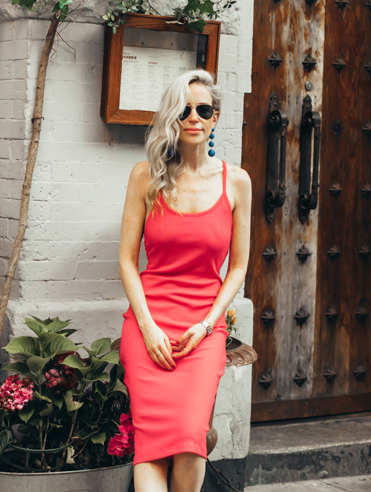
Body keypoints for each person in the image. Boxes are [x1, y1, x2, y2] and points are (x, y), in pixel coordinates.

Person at [118, 70, 252, 492]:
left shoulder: (237, 182)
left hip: (202, 332)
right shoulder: (146, 176)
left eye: (204, 110)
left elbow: (238, 267)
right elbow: (125, 260)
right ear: (173, 118)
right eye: (184, 109)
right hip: (148, 329)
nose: (194, 117)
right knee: (152, 447)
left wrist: (208, 323)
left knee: (192, 441)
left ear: (216, 119)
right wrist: (147, 327)